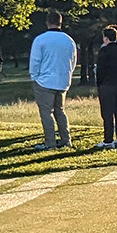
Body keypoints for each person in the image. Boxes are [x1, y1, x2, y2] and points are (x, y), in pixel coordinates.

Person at [28, 9, 75, 149]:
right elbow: (72, 61)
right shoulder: (69, 40)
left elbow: (35, 61)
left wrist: (34, 77)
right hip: (62, 80)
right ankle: (66, 140)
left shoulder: (40, 39)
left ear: (47, 22)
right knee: (60, 111)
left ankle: (50, 143)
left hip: (44, 81)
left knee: (46, 113)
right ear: (60, 22)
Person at [94, 25, 117, 149]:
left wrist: (99, 84)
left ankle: (108, 139)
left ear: (106, 38)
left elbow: (100, 70)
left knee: (107, 113)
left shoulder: (104, 51)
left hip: (106, 85)